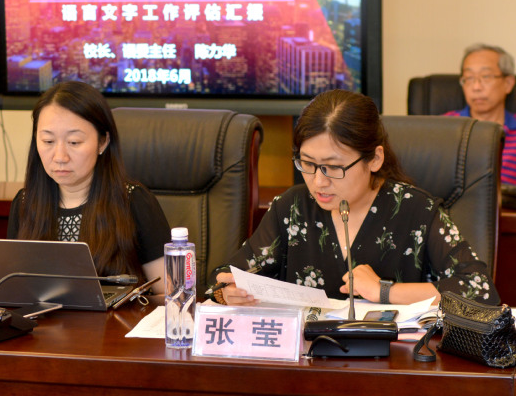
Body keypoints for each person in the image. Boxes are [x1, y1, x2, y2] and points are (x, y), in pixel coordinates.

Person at [209, 89, 499, 306]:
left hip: (393, 362)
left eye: (334, 167)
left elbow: (481, 291)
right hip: (306, 360)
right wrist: (226, 293)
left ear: (374, 159)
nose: (318, 181)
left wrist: (384, 291)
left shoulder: (416, 210)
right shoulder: (292, 207)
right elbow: (222, 277)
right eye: (307, 163)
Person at [7, 81, 170, 292]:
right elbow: (14, 288)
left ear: (102, 142)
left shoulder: (133, 201)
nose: (59, 157)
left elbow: (171, 295)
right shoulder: (25, 203)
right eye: (48, 141)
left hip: (122, 315)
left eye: (74, 142)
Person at [445, 43, 516, 186]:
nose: (476, 87)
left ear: (508, 83)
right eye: (469, 78)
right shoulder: (443, 128)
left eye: (486, 76)